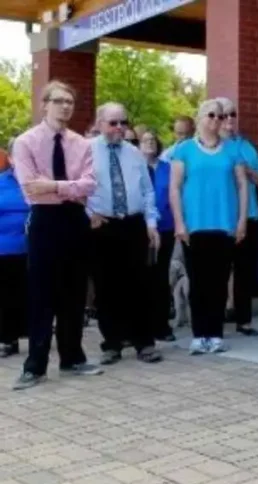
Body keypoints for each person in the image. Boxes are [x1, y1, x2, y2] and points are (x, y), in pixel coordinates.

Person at [10, 80, 102, 390]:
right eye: (59, 101)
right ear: (44, 104)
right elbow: (29, 188)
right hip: (45, 221)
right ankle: (34, 366)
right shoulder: (25, 143)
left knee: (74, 292)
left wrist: (53, 186)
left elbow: (89, 185)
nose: (66, 107)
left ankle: (72, 357)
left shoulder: (82, 144)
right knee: (41, 294)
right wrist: (68, 188)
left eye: (70, 102)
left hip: (75, 219)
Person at [169, 99, 248, 355]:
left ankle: (215, 334)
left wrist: (242, 220)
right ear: (200, 117)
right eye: (211, 115)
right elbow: (175, 187)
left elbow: (242, 186)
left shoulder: (232, 150)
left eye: (220, 116)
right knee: (198, 282)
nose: (216, 120)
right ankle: (199, 334)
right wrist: (179, 222)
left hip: (224, 225)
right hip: (195, 226)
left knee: (218, 281)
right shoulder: (185, 150)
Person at [86, 102, 163, 365]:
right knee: (107, 286)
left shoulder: (134, 153)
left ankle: (145, 342)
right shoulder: (86, 152)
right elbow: (77, 188)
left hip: (133, 224)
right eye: (113, 123)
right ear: (99, 124)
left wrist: (151, 223)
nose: (119, 128)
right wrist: (89, 213)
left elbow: (148, 191)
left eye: (123, 122)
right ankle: (112, 343)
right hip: (102, 225)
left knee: (140, 284)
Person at [217, 97, 258, 337]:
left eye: (232, 114)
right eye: (224, 115)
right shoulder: (210, 147)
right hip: (221, 219)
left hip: (250, 216)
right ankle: (215, 321)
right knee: (218, 271)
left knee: (245, 271)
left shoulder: (246, 146)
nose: (229, 120)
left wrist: (247, 170)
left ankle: (244, 320)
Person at [139, 130, 177, 342]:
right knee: (143, 276)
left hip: (166, 227)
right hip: (141, 229)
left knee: (161, 276)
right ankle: (142, 324)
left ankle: (162, 325)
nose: (150, 143)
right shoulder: (136, 168)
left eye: (153, 139)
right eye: (145, 140)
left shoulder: (167, 168)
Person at [0, 145, 29, 358]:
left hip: (35, 248)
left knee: (34, 294)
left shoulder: (38, 181)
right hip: (5, 249)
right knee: (7, 296)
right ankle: (8, 339)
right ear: (10, 158)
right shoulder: (1, 183)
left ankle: (34, 333)